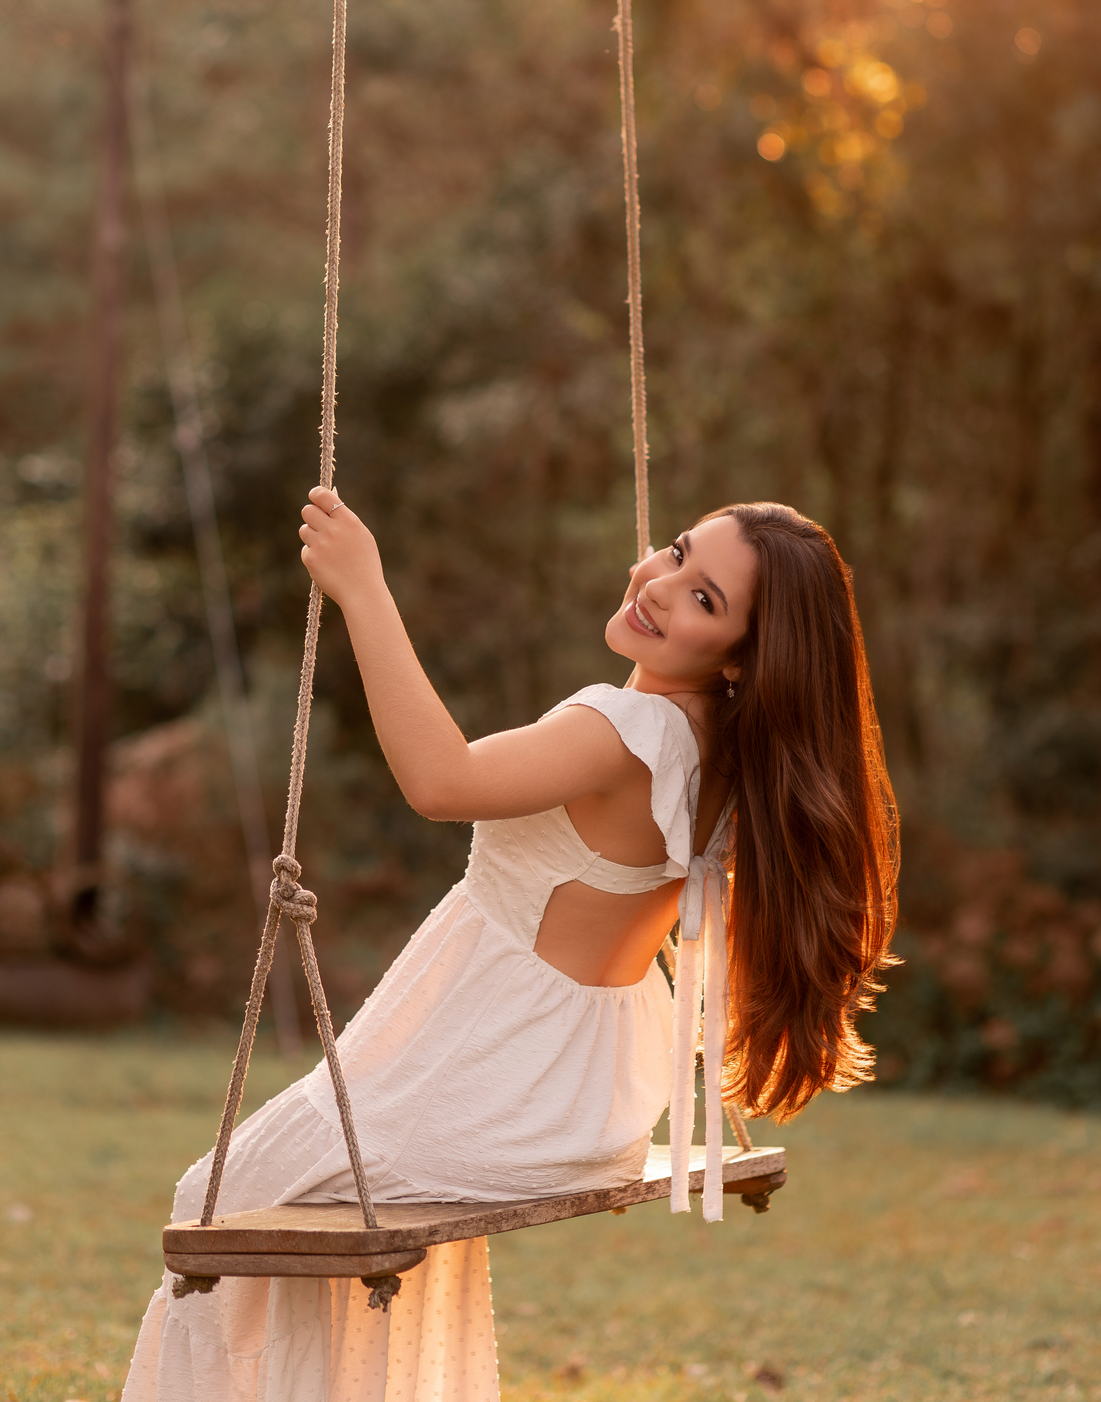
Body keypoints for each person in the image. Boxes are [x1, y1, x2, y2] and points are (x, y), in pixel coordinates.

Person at [123, 495, 898, 1402]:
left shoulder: (625, 729)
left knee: (212, 1207)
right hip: (582, 1094)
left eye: (704, 599)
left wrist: (363, 590)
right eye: (677, 555)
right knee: (302, 1231)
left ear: (742, 654)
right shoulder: (727, 741)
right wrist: (668, 602)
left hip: (488, 1073)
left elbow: (443, 780)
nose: (659, 585)